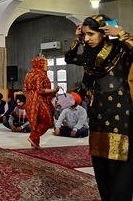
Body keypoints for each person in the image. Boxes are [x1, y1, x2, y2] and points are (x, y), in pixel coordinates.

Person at [65, 15, 133, 201]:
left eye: (91, 34)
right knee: (101, 163)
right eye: (85, 35)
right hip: (97, 114)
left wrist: (122, 34)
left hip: (119, 114)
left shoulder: (120, 51)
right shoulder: (91, 58)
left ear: (104, 33)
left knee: (119, 163)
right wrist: (76, 39)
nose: (87, 39)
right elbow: (69, 57)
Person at [24, 56, 59, 149]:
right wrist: (53, 90)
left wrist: (30, 97)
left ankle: (34, 144)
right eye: (44, 64)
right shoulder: (40, 75)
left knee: (35, 122)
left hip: (30, 100)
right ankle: (33, 137)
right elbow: (40, 90)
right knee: (47, 121)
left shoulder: (28, 74)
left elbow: (25, 89)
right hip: (39, 100)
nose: (46, 66)